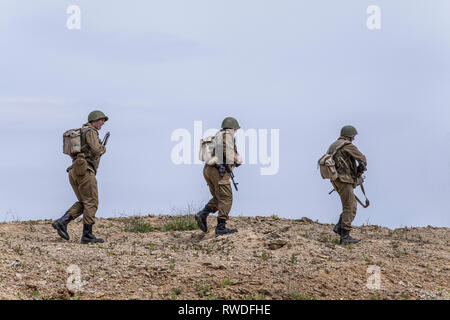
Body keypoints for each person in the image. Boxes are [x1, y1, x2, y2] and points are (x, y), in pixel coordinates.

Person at [52, 110, 108, 244]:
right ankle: (87, 235)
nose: (103, 123)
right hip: (85, 171)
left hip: (74, 170)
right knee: (91, 202)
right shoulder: (91, 132)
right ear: (94, 120)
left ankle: (62, 222)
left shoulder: (82, 132)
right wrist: (103, 149)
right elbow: (96, 150)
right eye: (101, 120)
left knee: (84, 202)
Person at [195, 117, 242, 236]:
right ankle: (221, 227)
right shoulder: (227, 136)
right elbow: (227, 153)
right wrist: (237, 159)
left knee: (218, 197)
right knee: (226, 198)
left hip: (208, 169)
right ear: (232, 128)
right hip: (217, 171)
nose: (236, 132)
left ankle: (203, 214)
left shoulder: (218, 135)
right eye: (235, 130)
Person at [328, 125, 367, 244]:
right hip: (344, 179)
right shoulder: (347, 145)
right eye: (353, 136)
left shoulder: (333, 145)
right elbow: (362, 158)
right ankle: (344, 236)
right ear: (350, 136)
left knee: (348, 204)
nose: (354, 138)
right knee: (350, 206)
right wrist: (361, 167)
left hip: (335, 179)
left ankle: (339, 227)